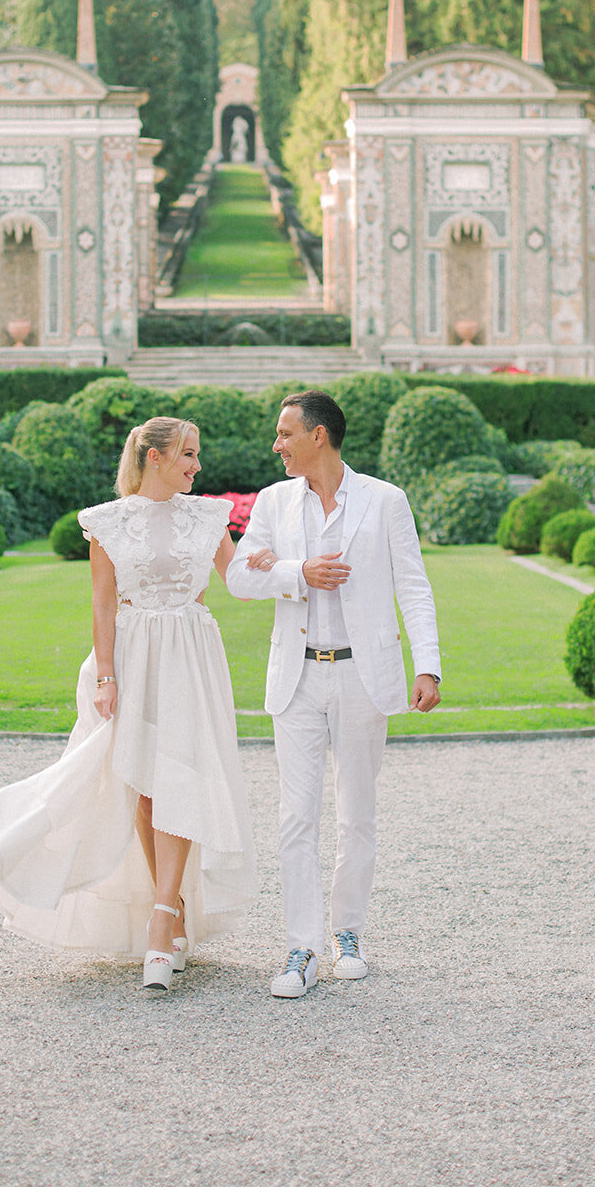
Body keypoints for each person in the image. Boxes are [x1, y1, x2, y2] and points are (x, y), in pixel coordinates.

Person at [0, 417, 258, 991]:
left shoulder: (210, 515)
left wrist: (288, 569)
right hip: (132, 655)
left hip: (191, 655)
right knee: (146, 787)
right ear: (153, 456)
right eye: (188, 454)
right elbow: (101, 603)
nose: (198, 465)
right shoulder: (107, 522)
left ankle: (162, 918)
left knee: (183, 780)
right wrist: (106, 676)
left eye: (198, 454)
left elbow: (240, 579)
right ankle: (168, 912)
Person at [225, 389, 441, 998]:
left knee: (356, 813)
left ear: (318, 435)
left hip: (363, 675)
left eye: (285, 434)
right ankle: (301, 947)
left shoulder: (385, 500)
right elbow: (241, 576)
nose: (277, 445)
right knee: (296, 816)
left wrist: (429, 666)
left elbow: (414, 587)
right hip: (295, 676)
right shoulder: (271, 502)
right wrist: (297, 572)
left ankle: (348, 931)